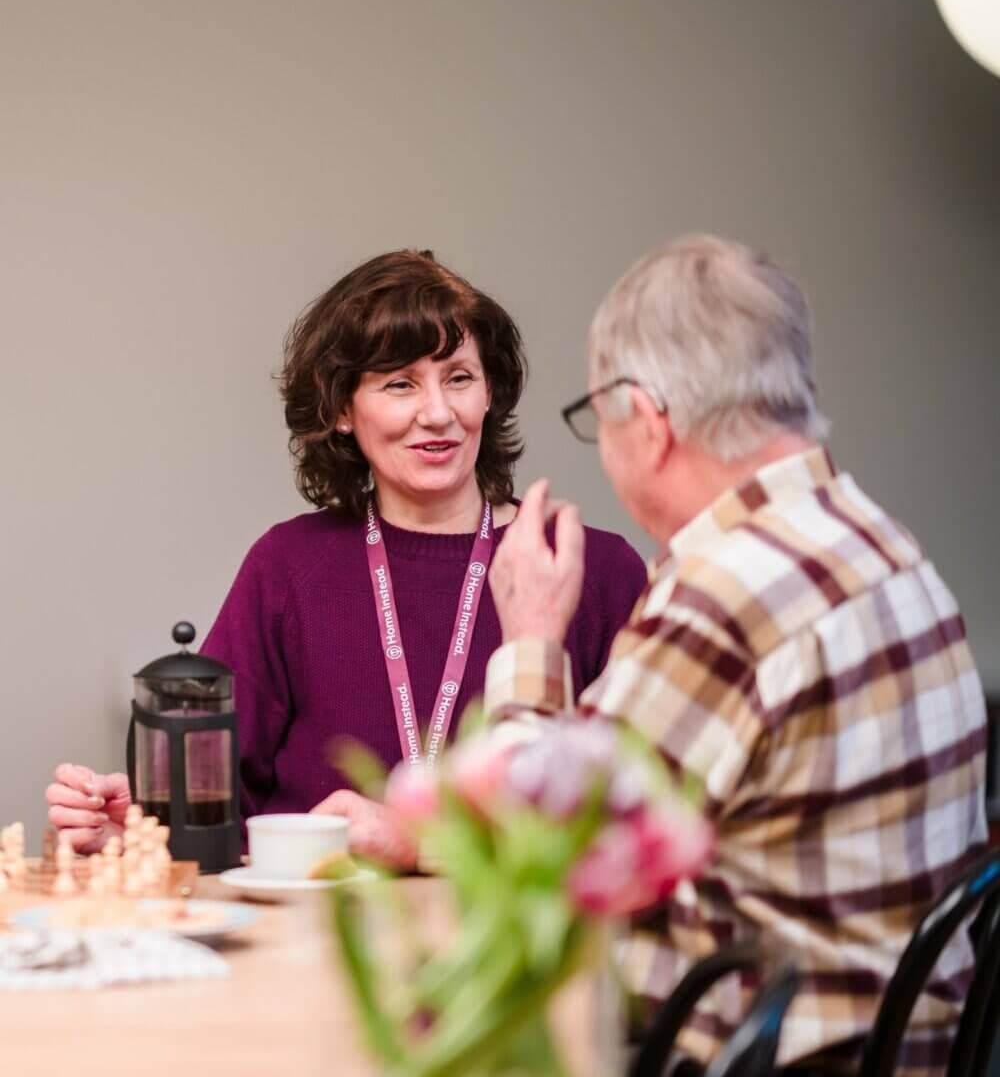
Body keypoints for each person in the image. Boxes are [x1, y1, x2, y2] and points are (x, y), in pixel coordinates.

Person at [483, 234, 987, 1077]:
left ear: (647, 418)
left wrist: (532, 642)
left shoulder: (730, 590)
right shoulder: (877, 541)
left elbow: (531, 865)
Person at [46, 249, 647, 861]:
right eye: (400, 384)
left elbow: (643, 826)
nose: (437, 412)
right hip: (305, 941)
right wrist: (150, 833)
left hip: (521, 950)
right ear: (339, 410)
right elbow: (221, 807)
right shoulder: (287, 567)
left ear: (490, 392)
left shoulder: (589, 569)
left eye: (459, 377)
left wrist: (415, 841)